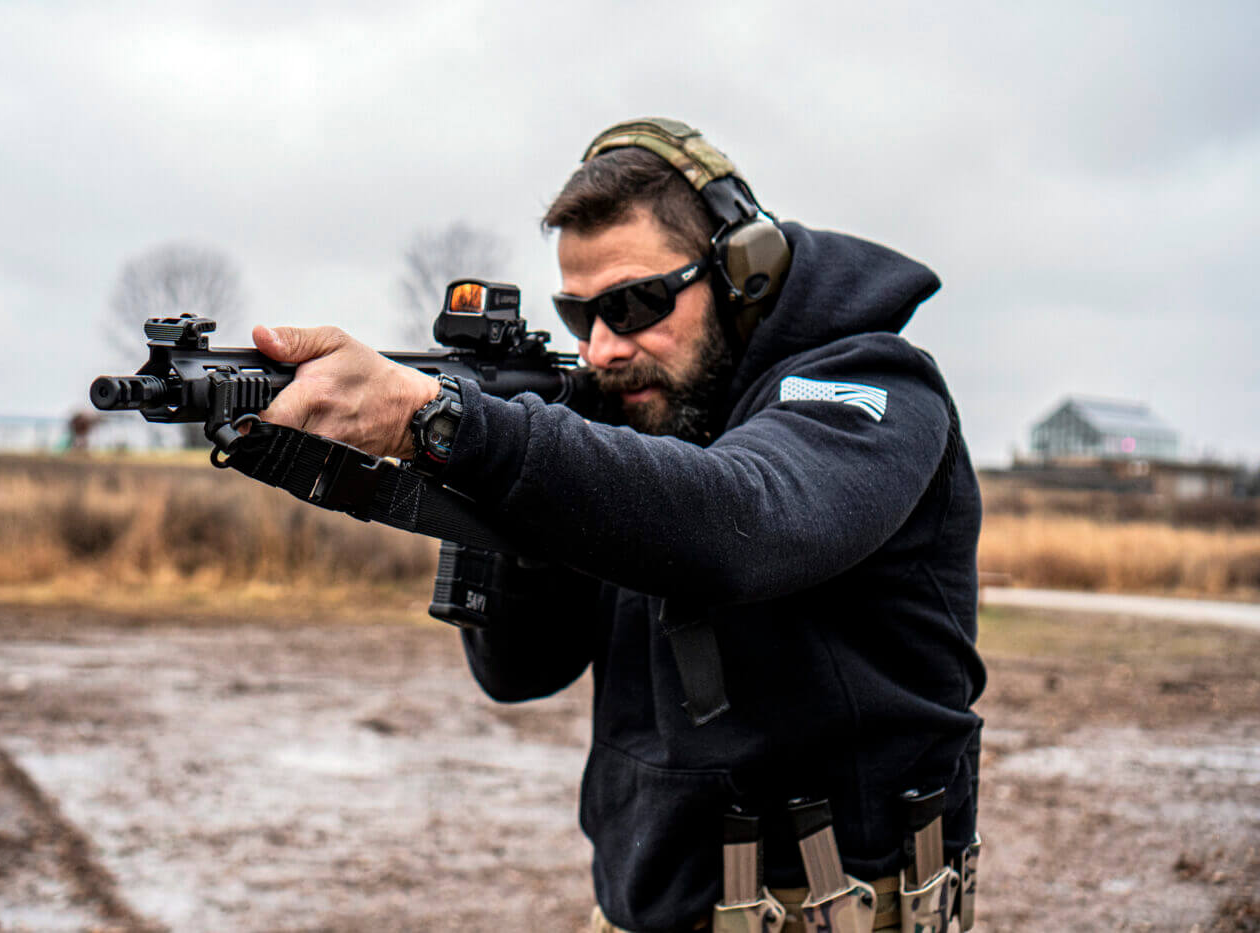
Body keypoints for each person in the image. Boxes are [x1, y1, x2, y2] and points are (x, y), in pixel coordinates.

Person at [252, 119, 985, 933]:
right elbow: (519, 667)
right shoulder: (650, 428)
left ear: (745, 272)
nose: (602, 348)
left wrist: (452, 427)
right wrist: (503, 495)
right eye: (579, 314)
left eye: (634, 304)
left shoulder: (874, 385)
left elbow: (748, 517)